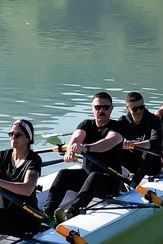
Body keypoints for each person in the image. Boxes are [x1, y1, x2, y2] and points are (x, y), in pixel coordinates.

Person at [42, 91, 126, 221]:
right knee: (64, 174)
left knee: (95, 177)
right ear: (92, 108)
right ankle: (47, 212)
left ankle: (71, 212)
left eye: (105, 107)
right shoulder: (86, 124)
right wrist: (71, 150)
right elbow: (76, 138)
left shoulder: (118, 127)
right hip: (88, 177)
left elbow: (106, 144)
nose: (101, 110)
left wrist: (85, 148)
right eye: (97, 107)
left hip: (111, 182)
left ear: (111, 109)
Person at [117, 91, 163, 183]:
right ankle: (115, 181)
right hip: (132, 163)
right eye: (134, 109)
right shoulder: (123, 121)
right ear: (127, 108)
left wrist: (133, 144)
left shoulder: (153, 120)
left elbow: (156, 141)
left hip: (152, 164)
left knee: (148, 152)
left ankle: (133, 184)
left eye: (141, 107)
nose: (139, 111)